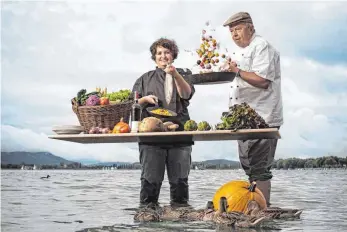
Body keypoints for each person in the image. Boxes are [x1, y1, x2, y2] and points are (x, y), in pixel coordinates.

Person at [222, 12, 283, 206]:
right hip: (246, 120)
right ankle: (254, 207)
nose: (234, 35)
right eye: (232, 31)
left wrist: (236, 71)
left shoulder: (261, 46)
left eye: (238, 29)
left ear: (251, 27)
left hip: (262, 119)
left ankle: (262, 210)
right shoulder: (247, 50)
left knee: (259, 168)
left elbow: (263, 81)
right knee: (249, 165)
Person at [131, 37, 195, 207]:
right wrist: (143, 99)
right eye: (159, 53)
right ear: (154, 56)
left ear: (173, 55)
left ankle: (180, 217)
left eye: (166, 52)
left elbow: (186, 94)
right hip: (151, 140)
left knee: (180, 184)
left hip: (180, 137)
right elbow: (133, 105)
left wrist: (174, 75)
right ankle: (148, 219)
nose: (163, 56)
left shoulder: (184, 73)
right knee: (150, 183)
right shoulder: (144, 79)